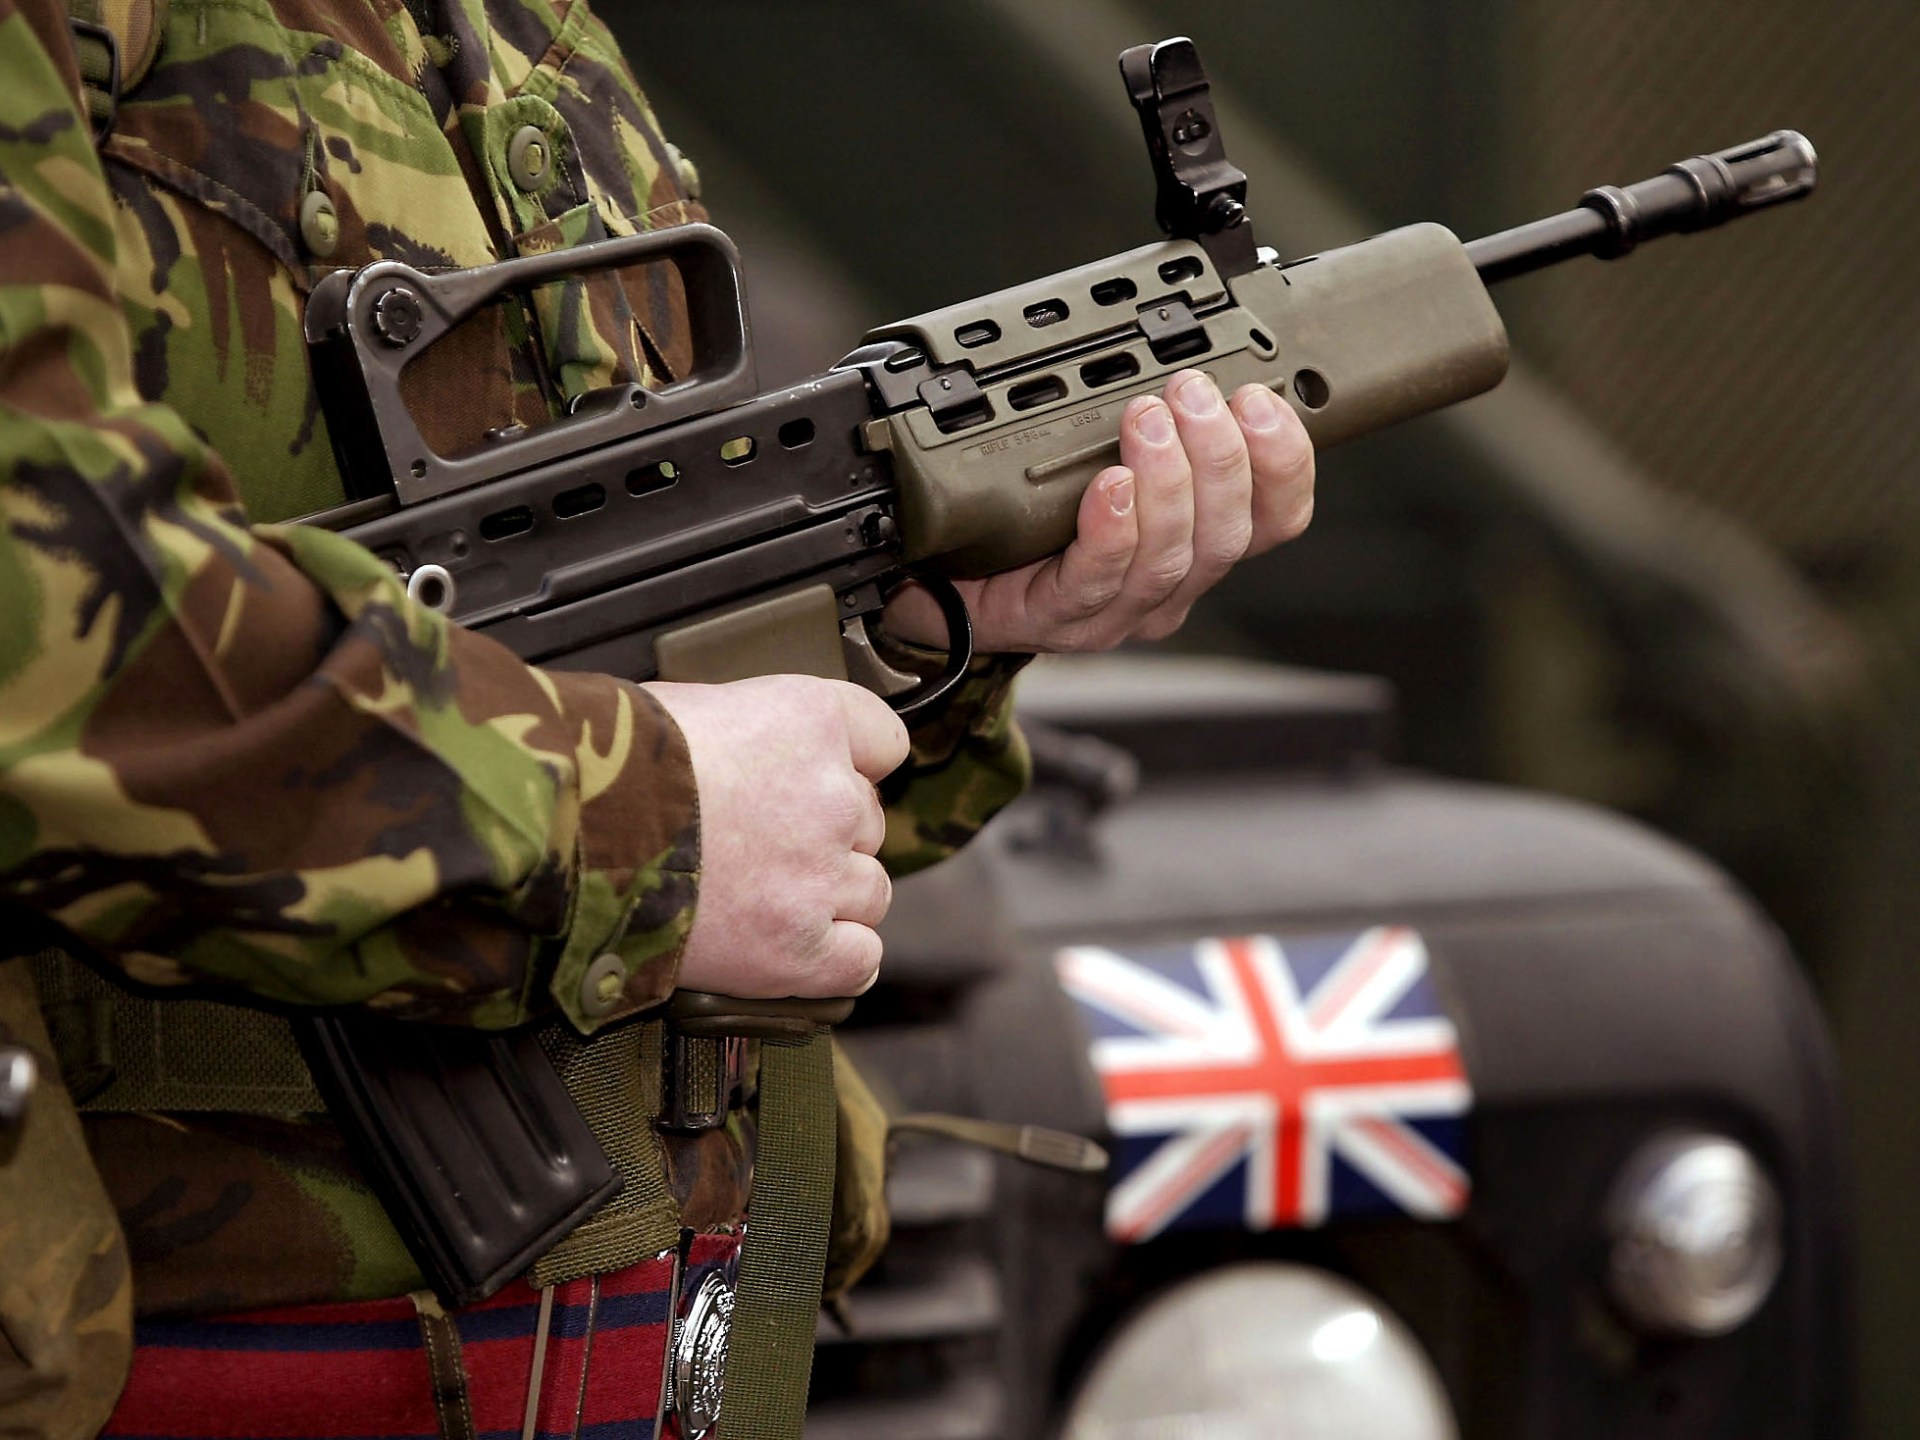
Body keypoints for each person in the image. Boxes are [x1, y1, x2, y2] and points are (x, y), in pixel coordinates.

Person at [0, 0, 1317, 1433]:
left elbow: (658, 695)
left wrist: (908, 626)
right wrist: (643, 824)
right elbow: (38, 619)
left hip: (657, 1346)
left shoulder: (522, 30)